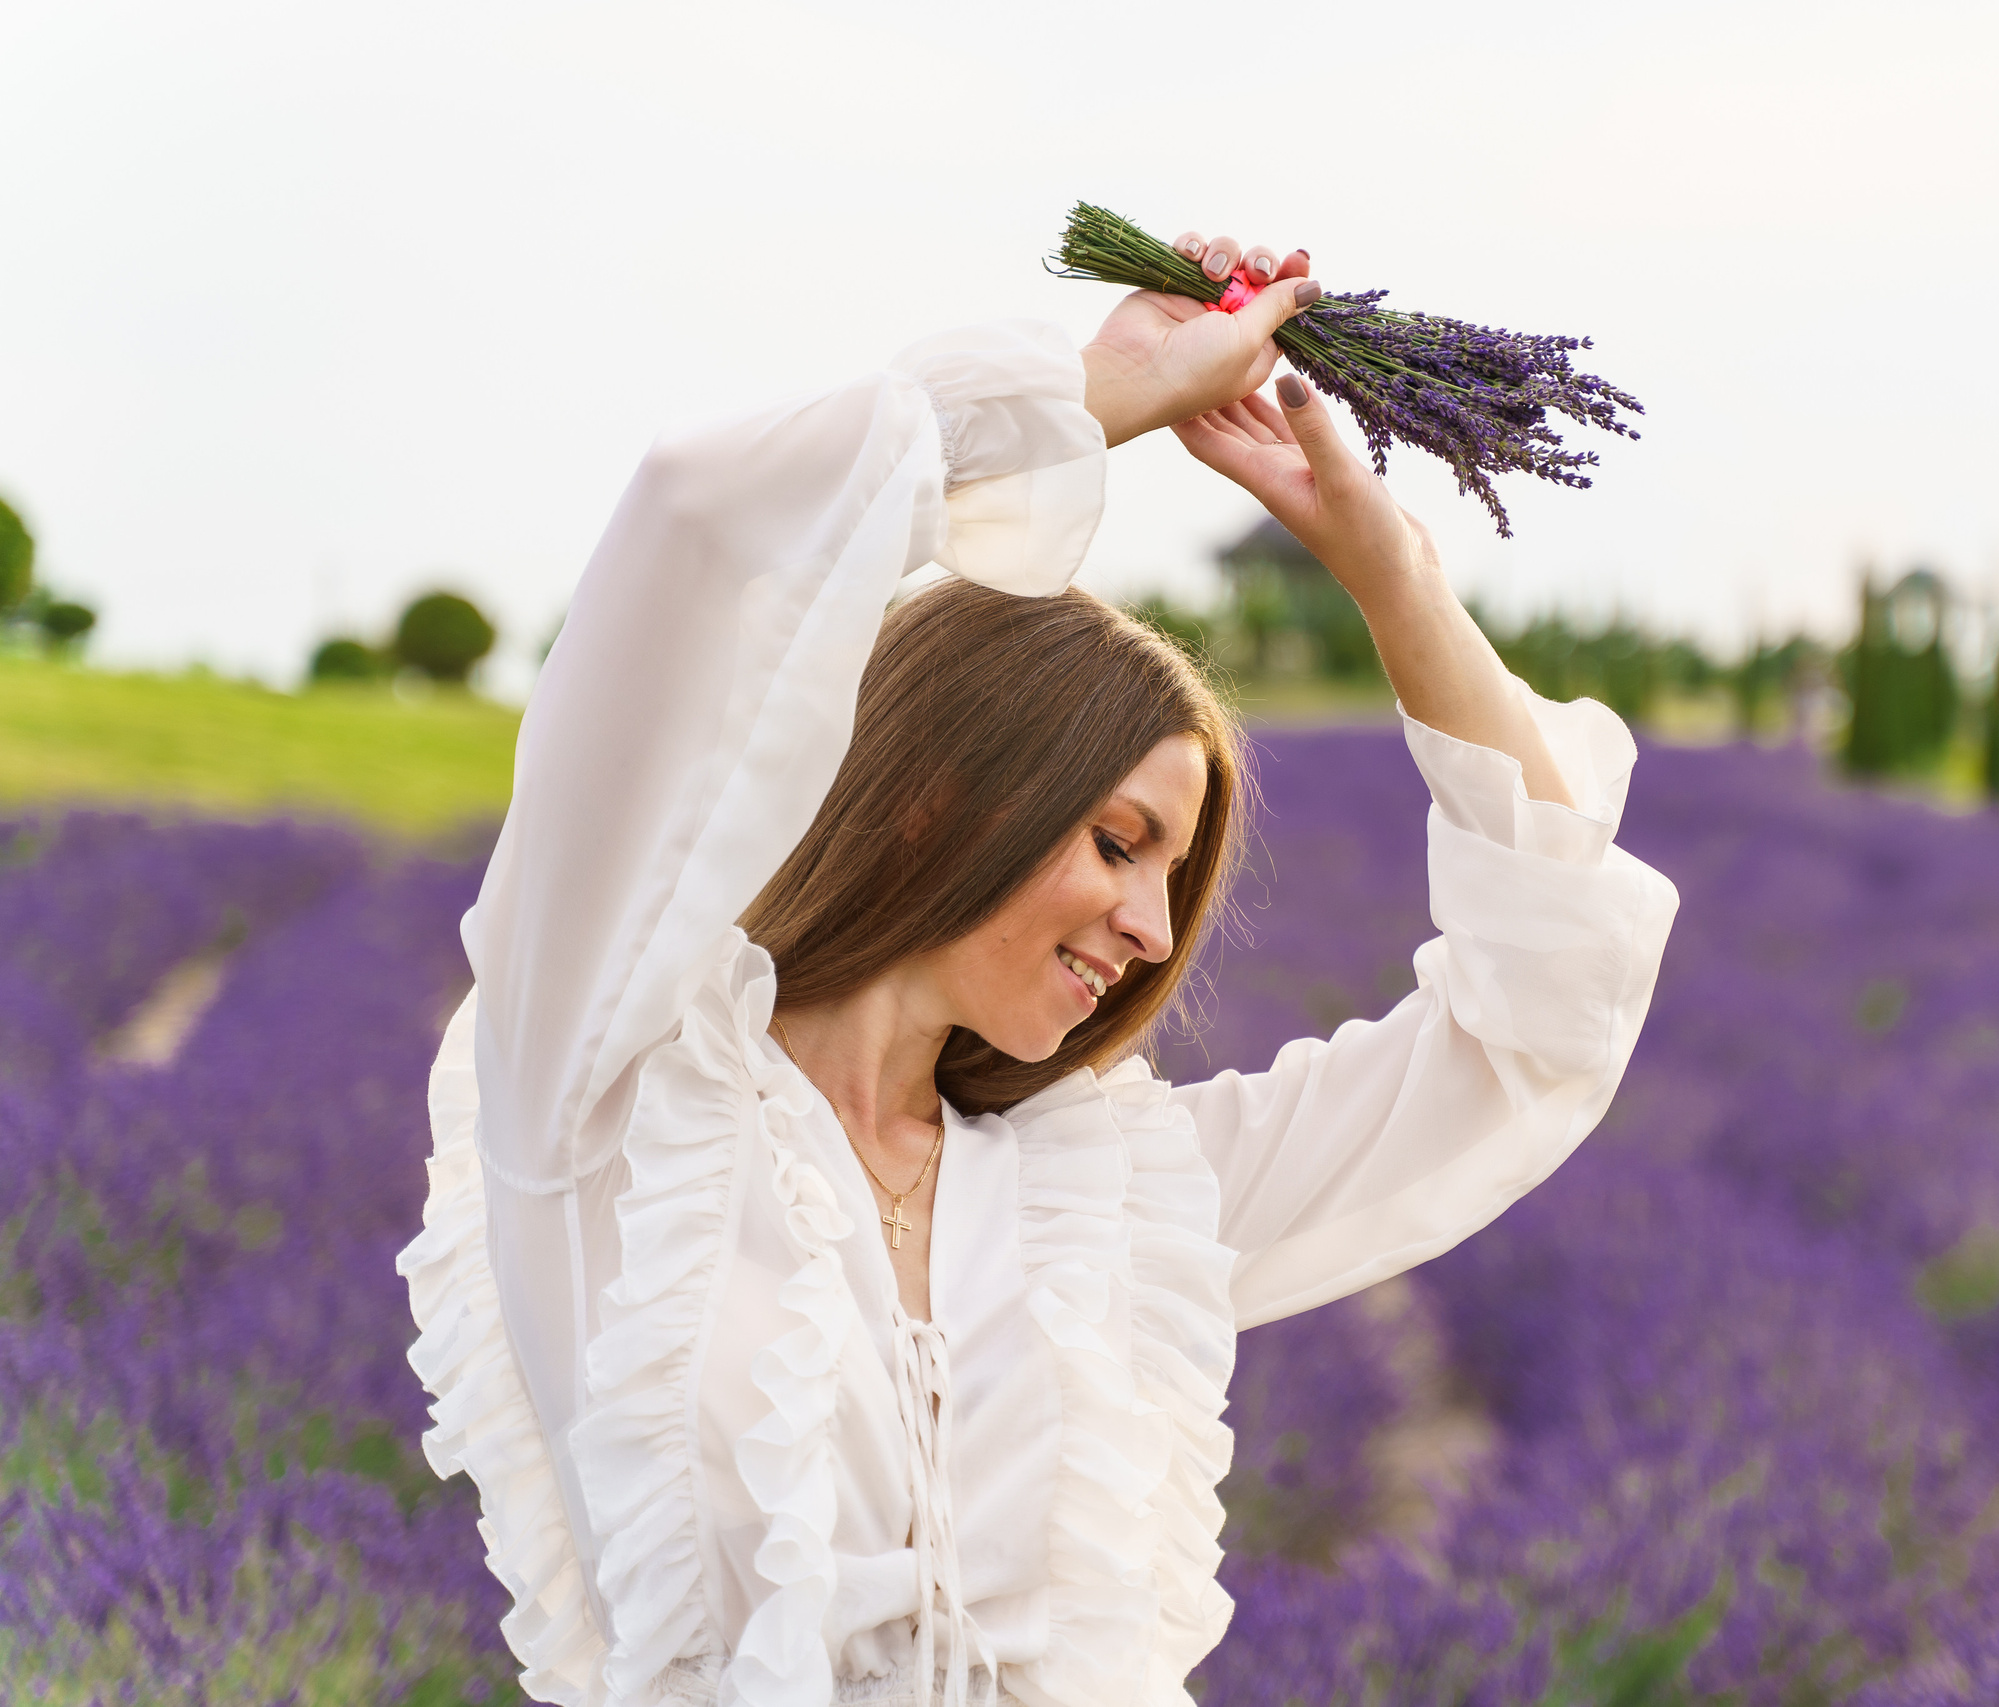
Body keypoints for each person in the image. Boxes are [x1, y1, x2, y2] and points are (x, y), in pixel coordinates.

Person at [399, 227, 1679, 1707]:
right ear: (947, 792)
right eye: (1121, 841)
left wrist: (1390, 576)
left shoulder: (1105, 1197)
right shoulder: (606, 1100)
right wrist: (1095, 392)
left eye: (1174, 877)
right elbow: (699, 530)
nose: (1151, 928)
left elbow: (1537, 1028)